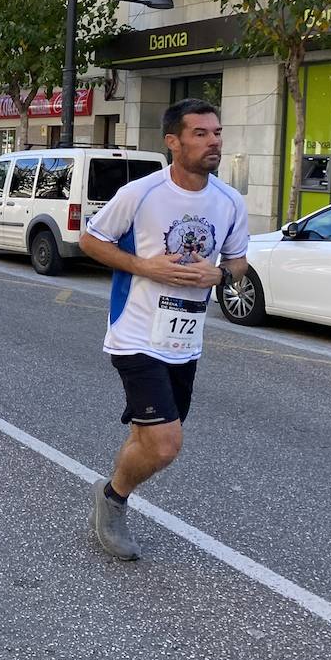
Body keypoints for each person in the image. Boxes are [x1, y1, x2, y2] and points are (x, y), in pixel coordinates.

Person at [78, 99, 249, 561]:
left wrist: (222, 275)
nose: (213, 140)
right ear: (173, 142)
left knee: (146, 436)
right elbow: (90, 240)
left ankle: (109, 493)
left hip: (185, 339)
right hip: (135, 333)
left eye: (217, 132)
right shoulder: (142, 193)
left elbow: (236, 262)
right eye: (200, 133)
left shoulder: (231, 201)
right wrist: (145, 267)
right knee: (166, 443)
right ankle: (113, 500)